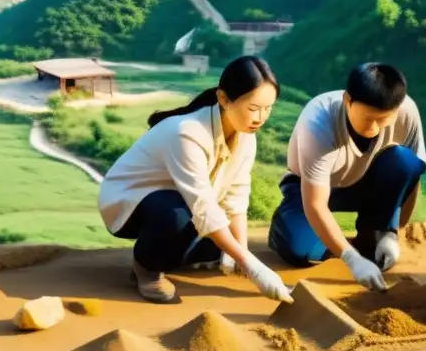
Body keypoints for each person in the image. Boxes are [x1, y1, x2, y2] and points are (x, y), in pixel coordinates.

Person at [98, 55, 293, 305]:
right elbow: (203, 205)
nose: (260, 118)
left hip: (180, 200)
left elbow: (237, 195)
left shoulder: (246, 136)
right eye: (253, 108)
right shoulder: (187, 133)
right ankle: (145, 271)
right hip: (129, 203)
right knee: (179, 217)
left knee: (217, 242)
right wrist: (254, 267)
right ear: (223, 99)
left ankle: (174, 253)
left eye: (268, 108)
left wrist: (243, 256)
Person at [267, 62, 426, 291]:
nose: (373, 127)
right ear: (347, 100)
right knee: (301, 251)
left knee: (404, 160)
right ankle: (283, 227)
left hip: (367, 183)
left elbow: (410, 178)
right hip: (312, 189)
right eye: (366, 118)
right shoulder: (318, 120)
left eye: (382, 120)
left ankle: (373, 233)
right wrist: (351, 259)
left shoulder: (407, 111)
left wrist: (393, 233)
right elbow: (315, 204)